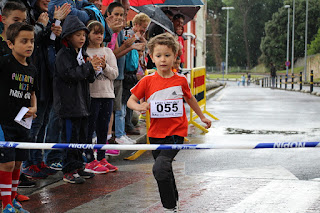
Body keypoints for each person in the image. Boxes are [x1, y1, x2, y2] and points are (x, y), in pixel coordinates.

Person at [127, 33, 212, 212]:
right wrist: (139, 106)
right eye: (158, 56)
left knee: (160, 168)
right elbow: (130, 101)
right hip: (155, 134)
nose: (163, 60)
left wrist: (202, 116)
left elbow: (191, 100)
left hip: (176, 133)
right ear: (151, 57)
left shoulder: (180, 81)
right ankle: (174, 203)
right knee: (164, 170)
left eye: (167, 55)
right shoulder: (147, 81)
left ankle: (168, 207)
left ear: (175, 56)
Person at [22, 0, 70, 179]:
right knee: (34, 124)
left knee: (42, 123)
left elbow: (49, 44)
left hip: (47, 76)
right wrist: (45, 26)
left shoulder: (46, 17)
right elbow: (31, 42)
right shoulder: (30, 15)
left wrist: (54, 30)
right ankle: (27, 163)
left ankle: (36, 160)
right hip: (35, 76)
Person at [53, 15, 98, 184]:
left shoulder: (82, 54)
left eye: (84, 35)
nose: (82, 38)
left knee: (81, 137)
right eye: (77, 34)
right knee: (70, 138)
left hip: (82, 104)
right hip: (68, 106)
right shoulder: (63, 54)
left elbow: (90, 78)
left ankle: (79, 165)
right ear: (68, 36)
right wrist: (88, 67)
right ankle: (69, 169)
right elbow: (69, 74)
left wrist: (94, 67)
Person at [0, 21, 37, 213]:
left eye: (31, 41)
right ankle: (6, 204)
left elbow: (32, 92)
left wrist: (34, 107)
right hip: (4, 122)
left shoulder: (32, 68)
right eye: (24, 41)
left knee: (18, 162)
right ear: (10, 44)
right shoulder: (4, 63)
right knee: (6, 163)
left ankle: (13, 199)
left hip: (23, 122)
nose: (29, 45)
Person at [84, 20, 119, 173]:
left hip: (107, 94)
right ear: (88, 35)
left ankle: (102, 157)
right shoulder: (84, 52)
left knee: (103, 129)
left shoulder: (108, 52)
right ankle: (90, 159)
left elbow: (114, 74)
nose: (99, 36)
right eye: (95, 32)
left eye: (101, 33)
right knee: (89, 128)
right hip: (91, 95)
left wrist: (104, 66)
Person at [123, 13, 150, 135]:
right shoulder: (129, 34)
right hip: (128, 70)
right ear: (136, 24)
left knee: (132, 96)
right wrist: (136, 38)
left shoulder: (142, 37)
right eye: (143, 26)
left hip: (137, 70)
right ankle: (127, 125)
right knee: (126, 100)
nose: (144, 29)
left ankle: (129, 123)